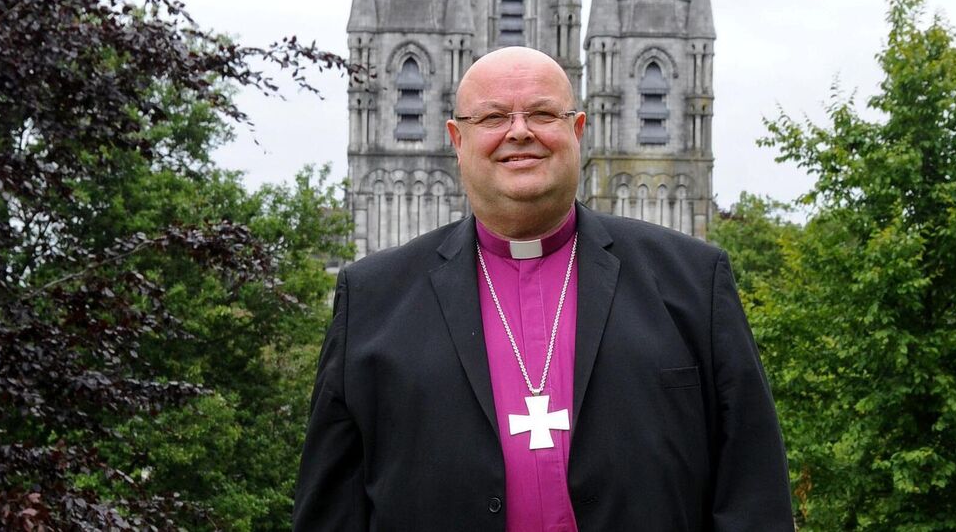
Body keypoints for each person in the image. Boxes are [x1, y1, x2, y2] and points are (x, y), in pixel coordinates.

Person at [294, 47, 794, 531]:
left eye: (542, 113)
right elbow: (331, 512)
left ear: (577, 130)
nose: (519, 132)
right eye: (492, 118)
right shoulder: (372, 299)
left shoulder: (693, 281)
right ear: (456, 139)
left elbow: (752, 493)